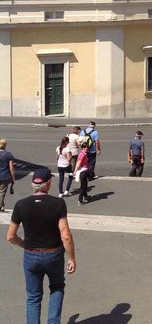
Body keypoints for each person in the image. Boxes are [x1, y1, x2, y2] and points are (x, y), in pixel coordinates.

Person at [6, 166, 76, 324]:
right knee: (57, 287)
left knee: (33, 297)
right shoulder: (58, 203)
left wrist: (23, 244)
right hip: (53, 254)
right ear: (48, 183)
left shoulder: (21, 205)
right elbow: (65, 235)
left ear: (33, 184)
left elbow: (10, 236)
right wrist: (71, 258)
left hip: (31, 255)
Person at [0, 138, 16, 212]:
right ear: (5, 145)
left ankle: (2, 206)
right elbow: (11, 168)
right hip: (4, 176)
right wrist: (13, 178)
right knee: (2, 192)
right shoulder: (8, 155)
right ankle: (0, 206)